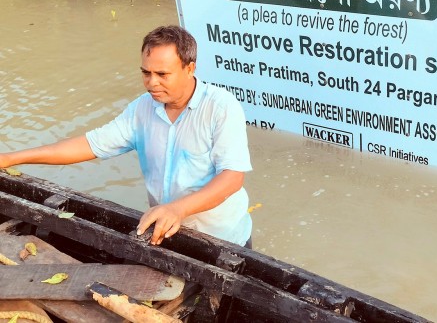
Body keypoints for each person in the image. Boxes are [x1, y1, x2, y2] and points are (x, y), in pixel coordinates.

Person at [0, 25, 253, 247]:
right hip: (165, 229)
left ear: (190, 68)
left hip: (222, 237)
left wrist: (178, 208)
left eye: (163, 74)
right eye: (146, 73)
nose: (152, 83)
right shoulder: (142, 109)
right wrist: (11, 159)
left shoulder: (221, 107)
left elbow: (232, 177)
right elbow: (89, 144)